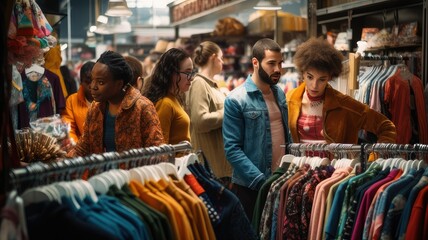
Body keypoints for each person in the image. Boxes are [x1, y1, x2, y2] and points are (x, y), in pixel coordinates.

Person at [222, 38, 292, 220]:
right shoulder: (236, 99)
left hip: (280, 181)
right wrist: (262, 181)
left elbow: (286, 136)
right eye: (271, 63)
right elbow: (232, 149)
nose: (278, 69)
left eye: (280, 63)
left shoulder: (279, 94)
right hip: (251, 187)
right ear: (255, 62)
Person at [286, 37, 396, 144]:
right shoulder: (290, 99)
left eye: (322, 79)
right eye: (310, 77)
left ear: (329, 77)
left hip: (335, 163)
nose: (314, 85)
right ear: (302, 73)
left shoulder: (343, 104)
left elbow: (386, 126)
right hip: (298, 162)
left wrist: (376, 155)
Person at [68, 51, 164, 157]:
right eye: (92, 80)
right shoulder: (95, 108)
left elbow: (157, 152)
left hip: (134, 173)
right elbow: (84, 146)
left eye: (100, 82)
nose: (93, 86)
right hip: (101, 173)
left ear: (119, 84)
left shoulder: (143, 107)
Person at [187, 41, 232, 185]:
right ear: (213, 57)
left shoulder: (212, 85)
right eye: (221, 57)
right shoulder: (199, 83)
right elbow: (200, 120)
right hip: (210, 167)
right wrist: (229, 112)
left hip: (219, 166)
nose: (222, 62)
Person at [142, 48, 195, 145]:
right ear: (172, 73)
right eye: (187, 72)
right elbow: (161, 147)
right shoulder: (165, 103)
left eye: (192, 72)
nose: (191, 78)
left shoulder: (173, 98)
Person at [61, 61, 95, 143]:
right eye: (87, 82)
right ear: (80, 82)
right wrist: (77, 148)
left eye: (94, 81)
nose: (91, 86)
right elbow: (69, 128)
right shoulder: (72, 100)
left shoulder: (107, 99)